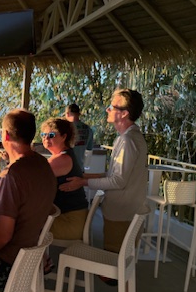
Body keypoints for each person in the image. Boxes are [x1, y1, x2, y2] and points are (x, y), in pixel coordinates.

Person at [0, 109, 56, 291]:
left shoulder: (12, 176)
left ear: (5, 135)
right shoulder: (42, 164)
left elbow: (2, 235)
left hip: (7, 268)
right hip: (28, 263)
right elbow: (23, 200)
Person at [60, 89, 148, 253]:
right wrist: (84, 176)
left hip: (121, 214)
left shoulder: (128, 141)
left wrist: (83, 182)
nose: (108, 110)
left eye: (112, 106)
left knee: (113, 271)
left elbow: (118, 181)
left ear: (123, 114)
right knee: (117, 268)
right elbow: (115, 175)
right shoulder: (128, 137)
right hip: (123, 210)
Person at [40, 117, 88, 241]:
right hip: (70, 217)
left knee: (24, 226)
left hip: (69, 222)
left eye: (51, 135)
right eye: (43, 134)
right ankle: (43, 259)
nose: (46, 138)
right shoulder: (64, 156)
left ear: (64, 137)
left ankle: (35, 260)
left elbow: (32, 177)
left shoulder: (62, 159)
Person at [65, 103, 94, 169]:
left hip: (66, 168)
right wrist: (86, 166)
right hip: (80, 168)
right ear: (79, 114)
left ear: (67, 114)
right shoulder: (88, 129)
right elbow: (89, 150)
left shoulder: (65, 128)